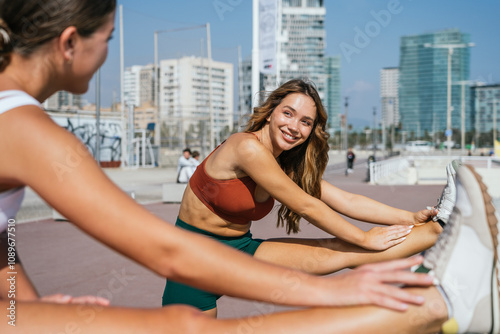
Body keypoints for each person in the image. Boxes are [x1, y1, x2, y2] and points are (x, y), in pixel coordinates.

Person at [0, 1, 497, 333]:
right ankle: (446, 305)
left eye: (307, 121)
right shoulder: (29, 131)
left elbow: (6, 244)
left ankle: (449, 239)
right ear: (69, 43)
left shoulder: (18, 121)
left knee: (341, 255)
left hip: (234, 247)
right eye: (108, 37)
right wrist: (326, 290)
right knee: (195, 326)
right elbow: (168, 251)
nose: (107, 50)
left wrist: (27, 312)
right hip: (194, 251)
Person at [162, 79, 443, 316]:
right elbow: (306, 205)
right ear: (271, 112)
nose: (295, 127)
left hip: (241, 250)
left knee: (344, 252)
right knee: (357, 244)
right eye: (288, 113)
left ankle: (441, 228)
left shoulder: (283, 164)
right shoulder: (245, 148)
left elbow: (346, 201)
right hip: (192, 257)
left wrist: (409, 217)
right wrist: (363, 236)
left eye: (305, 122)